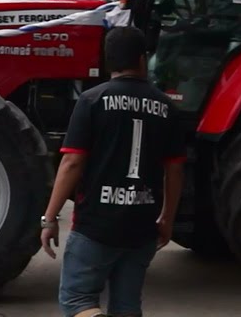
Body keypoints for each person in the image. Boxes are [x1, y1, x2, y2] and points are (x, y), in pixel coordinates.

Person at [40, 25, 185, 317]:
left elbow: (72, 163)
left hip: (96, 226)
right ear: (143, 59)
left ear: (108, 62)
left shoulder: (92, 100)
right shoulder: (167, 107)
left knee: (78, 301)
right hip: (142, 228)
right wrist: (167, 219)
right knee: (127, 307)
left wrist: (50, 217)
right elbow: (175, 171)